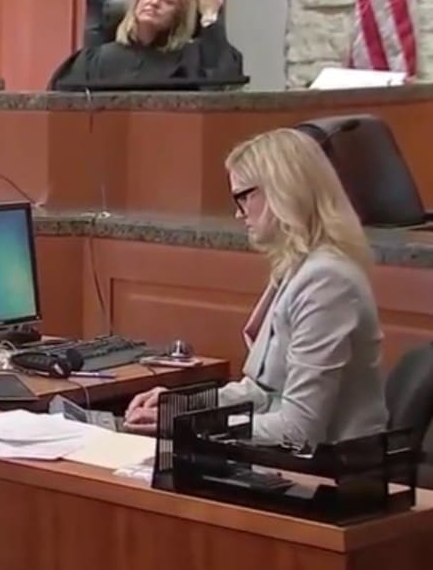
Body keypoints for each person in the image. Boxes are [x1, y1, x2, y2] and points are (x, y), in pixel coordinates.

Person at [123, 128, 389, 447]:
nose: (238, 212)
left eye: (243, 196)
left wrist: (192, 424)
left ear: (283, 190)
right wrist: (183, 406)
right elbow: (263, 391)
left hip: (327, 477)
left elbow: (298, 430)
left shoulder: (326, 280)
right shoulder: (299, 268)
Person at [48, 0, 243, 88]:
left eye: (168, 1)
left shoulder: (192, 57)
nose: (155, 2)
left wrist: (210, 16)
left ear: (179, 15)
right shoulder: (95, 59)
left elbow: (224, 84)